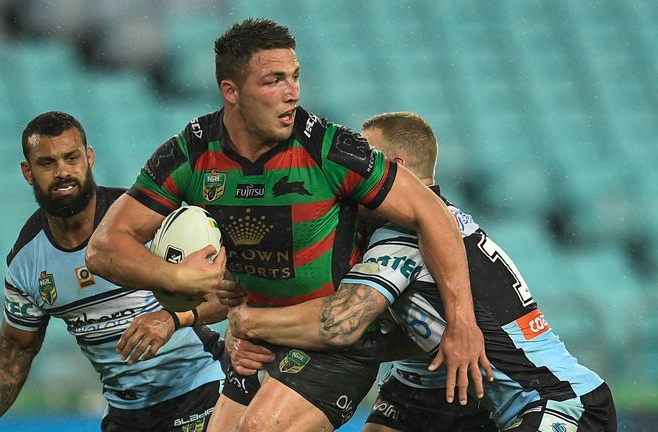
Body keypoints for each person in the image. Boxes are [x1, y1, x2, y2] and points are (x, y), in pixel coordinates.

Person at [86, 18, 489, 432]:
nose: (292, 92)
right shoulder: (191, 152)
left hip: (332, 343)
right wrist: (178, 278)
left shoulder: (329, 148)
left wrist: (462, 323)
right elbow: (104, 248)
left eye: (294, 77)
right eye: (273, 80)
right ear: (231, 91)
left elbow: (432, 213)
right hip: (260, 339)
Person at [227, 112, 617, 431]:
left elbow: (339, 324)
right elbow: (409, 336)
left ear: (395, 169)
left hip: (558, 403)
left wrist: (248, 323)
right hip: (482, 398)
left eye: (367, 162)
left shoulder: (405, 234)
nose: (352, 174)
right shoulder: (437, 223)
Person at [0, 112, 227, 432]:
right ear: (27, 172)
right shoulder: (25, 263)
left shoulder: (146, 221)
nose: (62, 172)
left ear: (89, 158)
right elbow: (17, 347)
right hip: (127, 414)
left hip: (203, 391)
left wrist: (173, 319)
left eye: (71, 158)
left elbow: (226, 293)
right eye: (47, 163)